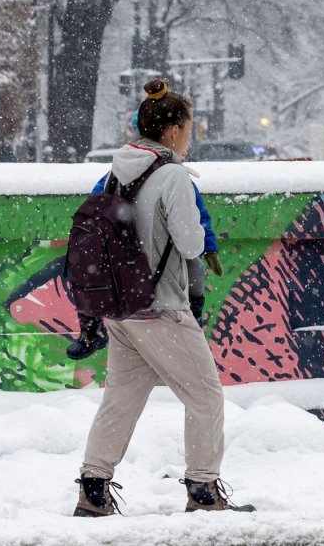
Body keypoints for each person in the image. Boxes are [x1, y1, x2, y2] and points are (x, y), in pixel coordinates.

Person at [74, 81, 253, 516]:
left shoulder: (116, 171)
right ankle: (203, 491)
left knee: (121, 399)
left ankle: (93, 490)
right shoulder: (171, 174)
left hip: (121, 307)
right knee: (206, 396)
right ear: (172, 131)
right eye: (189, 129)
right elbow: (191, 244)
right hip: (161, 306)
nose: (190, 138)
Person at [68, 170, 220, 360]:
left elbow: (196, 217)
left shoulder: (174, 178)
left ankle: (194, 320)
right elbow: (93, 209)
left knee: (195, 269)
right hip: (121, 247)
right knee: (85, 267)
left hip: (161, 250)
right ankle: (91, 328)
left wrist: (209, 246)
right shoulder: (115, 176)